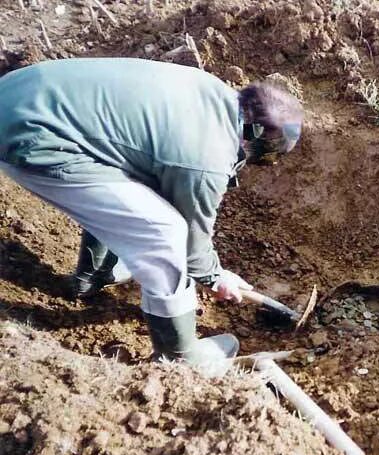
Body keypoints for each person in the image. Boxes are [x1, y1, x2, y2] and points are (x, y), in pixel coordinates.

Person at [0, 58, 303, 373]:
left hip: (18, 91)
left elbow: (134, 156)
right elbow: (192, 244)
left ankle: (94, 275)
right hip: (29, 134)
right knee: (165, 233)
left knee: (134, 185)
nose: (259, 163)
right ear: (251, 135)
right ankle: (180, 360)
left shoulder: (211, 91)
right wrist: (215, 277)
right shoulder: (205, 157)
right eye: (265, 158)